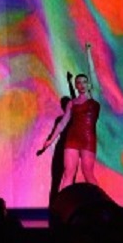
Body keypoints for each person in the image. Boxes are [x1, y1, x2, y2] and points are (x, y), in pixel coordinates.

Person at [39, 43, 100, 192]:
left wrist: (88, 53)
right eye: (78, 83)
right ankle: (64, 202)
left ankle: (100, 201)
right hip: (72, 139)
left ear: (88, 84)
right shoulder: (72, 103)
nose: (82, 84)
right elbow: (62, 124)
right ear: (76, 86)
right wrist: (50, 140)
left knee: (88, 173)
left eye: (84, 82)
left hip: (88, 139)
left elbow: (92, 73)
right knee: (68, 173)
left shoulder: (94, 97)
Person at [38, 71, 77, 204]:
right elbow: (52, 135)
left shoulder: (74, 118)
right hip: (61, 149)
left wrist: (70, 83)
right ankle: (53, 206)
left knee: (69, 180)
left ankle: (69, 205)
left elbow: (75, 100)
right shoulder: (60, 119)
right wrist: (44, 148)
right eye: (64, 104)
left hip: (70, 151)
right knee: (56, 179)